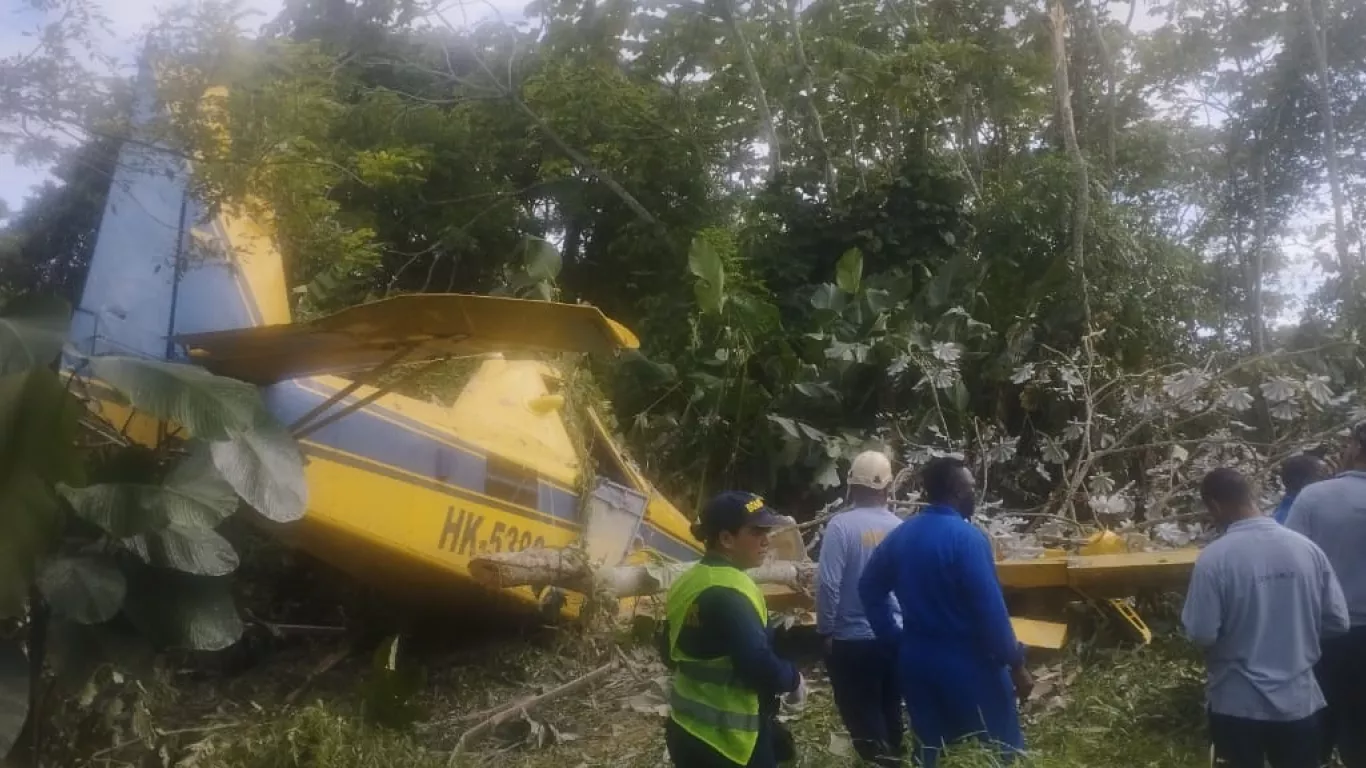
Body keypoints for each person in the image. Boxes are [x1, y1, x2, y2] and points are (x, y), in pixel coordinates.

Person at [858, 456, 1031, 768]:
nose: (974, 496)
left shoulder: (902, 535)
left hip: (917, 662)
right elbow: (991, 612)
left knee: (932, 751)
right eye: (971, 489)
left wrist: (893, 639)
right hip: (969, 665)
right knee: (992, 752)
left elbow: (869, 588)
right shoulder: (967, 540)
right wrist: (1016, 663)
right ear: (956, 491)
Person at [1182, 468, 1349, 768]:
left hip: (1237, 702)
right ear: (1252, 497)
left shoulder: (1214, 559)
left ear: (1215, 505)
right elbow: (1338, 620)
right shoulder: (1307, 550)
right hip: (1299, 701)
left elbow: (1202, 632)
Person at [657, 491, 804, 768]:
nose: (766, 541)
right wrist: (793, 680)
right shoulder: (733, 591)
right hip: (731, 742)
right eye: (757, 532)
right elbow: (757, 664)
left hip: (684, 728)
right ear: (726, 539)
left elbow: (668, 650)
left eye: (767, 531)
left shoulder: (686, 582)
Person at [816, 450, 906, 767]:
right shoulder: (900, 527)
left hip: (851, 641)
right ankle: (897, 757)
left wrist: (826, 630)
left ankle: (884, 762)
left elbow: (828, 584)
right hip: (893, 636)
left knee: (862, 714)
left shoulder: (840, 527)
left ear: (851, 486)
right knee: (890, 707)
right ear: (888, 488)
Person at [1286, 422, 1366, 768]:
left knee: (1319, 728)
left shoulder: (1314, 498)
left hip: (1327, 635)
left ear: (1356, 449)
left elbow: (1290, 563)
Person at [1272, 454, 1325, 525]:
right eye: (1320, 476)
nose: (1326, 480)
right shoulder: (1289, 519)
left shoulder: (1283, 513)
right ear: (1301, 480)